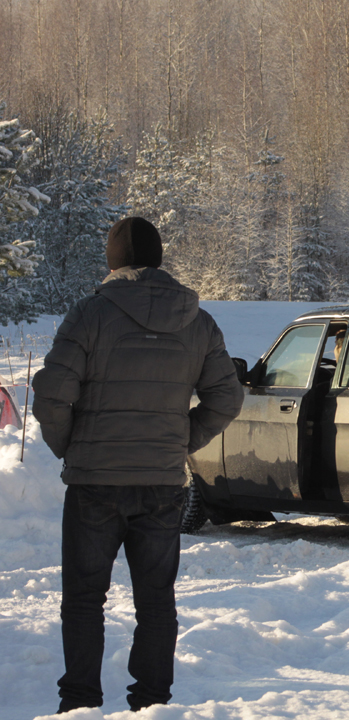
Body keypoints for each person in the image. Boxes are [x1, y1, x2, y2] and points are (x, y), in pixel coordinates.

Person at [32, 217, 245, 714]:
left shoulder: (89, 314)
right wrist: (179, 441)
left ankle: (80, 704)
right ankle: (152, 705)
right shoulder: (198, 320)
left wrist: (73, 448)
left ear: (112, 261)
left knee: (84, 599)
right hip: (161, 483)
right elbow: (227, 398)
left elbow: (50, 397)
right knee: (156, 600)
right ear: (159, 258)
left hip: (95, 484)